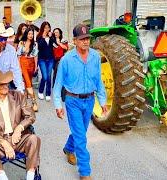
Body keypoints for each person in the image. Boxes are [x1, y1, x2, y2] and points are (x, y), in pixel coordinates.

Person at [53, 24, 108, 180]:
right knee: (81, 137)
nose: (85, 42)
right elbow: (57, 85)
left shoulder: (95, 57)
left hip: (89, 100)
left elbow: (99, 81)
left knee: (80, 132)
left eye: (87, 39)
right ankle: (85, 172)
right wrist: (58, 105)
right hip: (73, 101)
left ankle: (69, 149)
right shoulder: (66, 60)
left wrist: (102, 101)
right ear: (74, 40)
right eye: (82, 39)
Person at [0, 70, 41, 180]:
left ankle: (30, 177)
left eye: (6, 83)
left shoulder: (18, 96)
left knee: (34, 139)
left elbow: (30, 116)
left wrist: (19, 128)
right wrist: (3, 142)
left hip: (19, 138)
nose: (5, 86)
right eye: (1, 84)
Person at [17, 28, 39, 112]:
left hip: (31, 63)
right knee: (28, 83)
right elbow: (18, 56)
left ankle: (25, 101)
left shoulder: (35, 44)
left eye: (32, 34)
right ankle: (34, 102)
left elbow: (36, 55)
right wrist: (19, 67)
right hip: (23, 62)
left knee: (28, 81)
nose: (31, 35)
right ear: (26, 34)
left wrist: (36, 66)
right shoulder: (21, 43)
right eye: (29, 34)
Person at [36, 21, 54, 101]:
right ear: (42, 28)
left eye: (48, 27)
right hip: (42, 59)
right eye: (45, 27)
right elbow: (40, 47)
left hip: (50, 58)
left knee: (49, 76)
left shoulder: (51, 36)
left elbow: (54, 45)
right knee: (45, 76)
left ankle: (48, 93)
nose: (47, 29)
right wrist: (43, 37)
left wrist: (51, 37)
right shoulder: (39, 36)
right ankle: (40, 91)